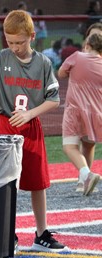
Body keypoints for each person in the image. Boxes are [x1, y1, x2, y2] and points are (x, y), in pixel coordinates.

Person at [0, 10, 68, 252]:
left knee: (37, 183)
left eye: (19, 42)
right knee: (5, 183)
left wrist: (30, 114)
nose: (15, 47)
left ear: (32, 36)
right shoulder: (0, 58)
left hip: (30, 127)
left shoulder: (43, 63)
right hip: (4, 127)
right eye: (10, 42)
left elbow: (54, 99)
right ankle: (6, 232)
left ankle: (41, 234)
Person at [58, 33, 102, 196]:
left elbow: (61, 74)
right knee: (89, 145)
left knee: (69, 146)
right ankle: (83, 181)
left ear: (88, 46)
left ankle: (86, 175)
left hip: (75, 110)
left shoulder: (77, 57)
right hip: (96, 113)